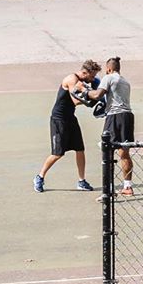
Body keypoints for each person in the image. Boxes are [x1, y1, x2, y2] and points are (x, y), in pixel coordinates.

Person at [33, 60, 98, 192]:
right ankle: (39, 177)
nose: (93, 79)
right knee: (58, 153)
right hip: (59, 120)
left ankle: (81, 181)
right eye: (92, 76)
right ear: (85, 72)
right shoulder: (71, 79)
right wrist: (94, 98)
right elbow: (75, 100)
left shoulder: (83, 81)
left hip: (70, 118)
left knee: (80, 149)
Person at [83, 55, 135, 196]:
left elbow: (97, 95)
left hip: (114, 116)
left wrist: (84, 92)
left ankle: (109, 189)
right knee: (124, 153)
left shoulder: (109, 78)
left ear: (109, 69)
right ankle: (127, 187)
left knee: (108, 151)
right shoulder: (125, 81)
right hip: (128, 116)